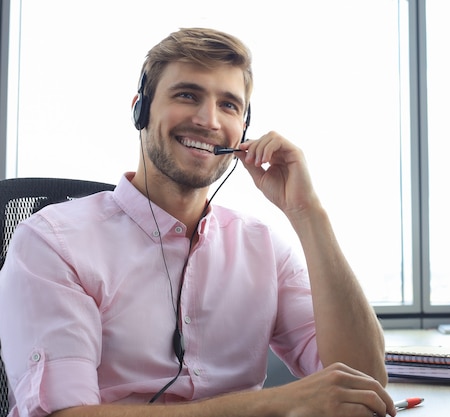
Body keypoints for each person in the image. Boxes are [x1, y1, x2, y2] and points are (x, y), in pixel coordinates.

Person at [0, 28, 394, 417]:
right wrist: (276, 403)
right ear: (141, 109)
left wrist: (309, 215)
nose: (208, 120)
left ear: (243, 129)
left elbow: (362, 385)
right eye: (187, 95)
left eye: (229, 105)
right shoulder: (52, 242)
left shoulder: (262, 247)